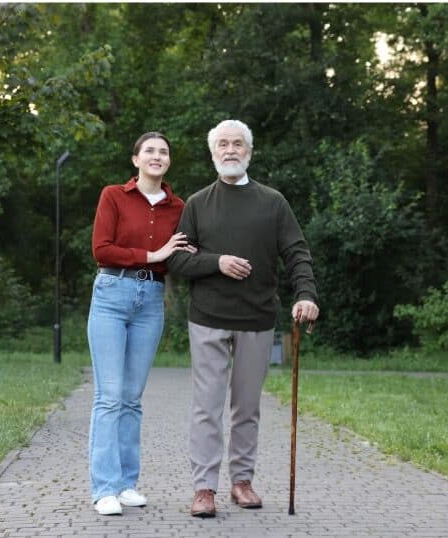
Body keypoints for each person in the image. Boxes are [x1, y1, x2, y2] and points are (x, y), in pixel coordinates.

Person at [166, 119, 319, 518]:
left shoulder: (273, 202)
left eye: (238, 144)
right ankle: (204, 489)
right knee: (207, 405)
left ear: (249, 153)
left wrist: (306, 294)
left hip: (257, 318)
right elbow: (178, 259)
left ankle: (242, 482)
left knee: (247, 406)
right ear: (213, 153)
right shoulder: (197, 203)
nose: (230, 150)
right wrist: (217, 262)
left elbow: (296, 253)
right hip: (208, 318)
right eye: (223, 145)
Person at [87, 132, 194, 516]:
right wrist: (154, 253)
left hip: (151, 301)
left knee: (132, 397)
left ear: (169, 161)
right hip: (112, 295)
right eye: (149, 150)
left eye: (164, 151)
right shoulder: (113, 195)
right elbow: (102, 249)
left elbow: (180, 254)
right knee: (109, 396)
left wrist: (186, 254)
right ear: (136, 159)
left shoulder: (178, 207)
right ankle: (104, 489)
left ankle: (127, 484)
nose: (157, 156)